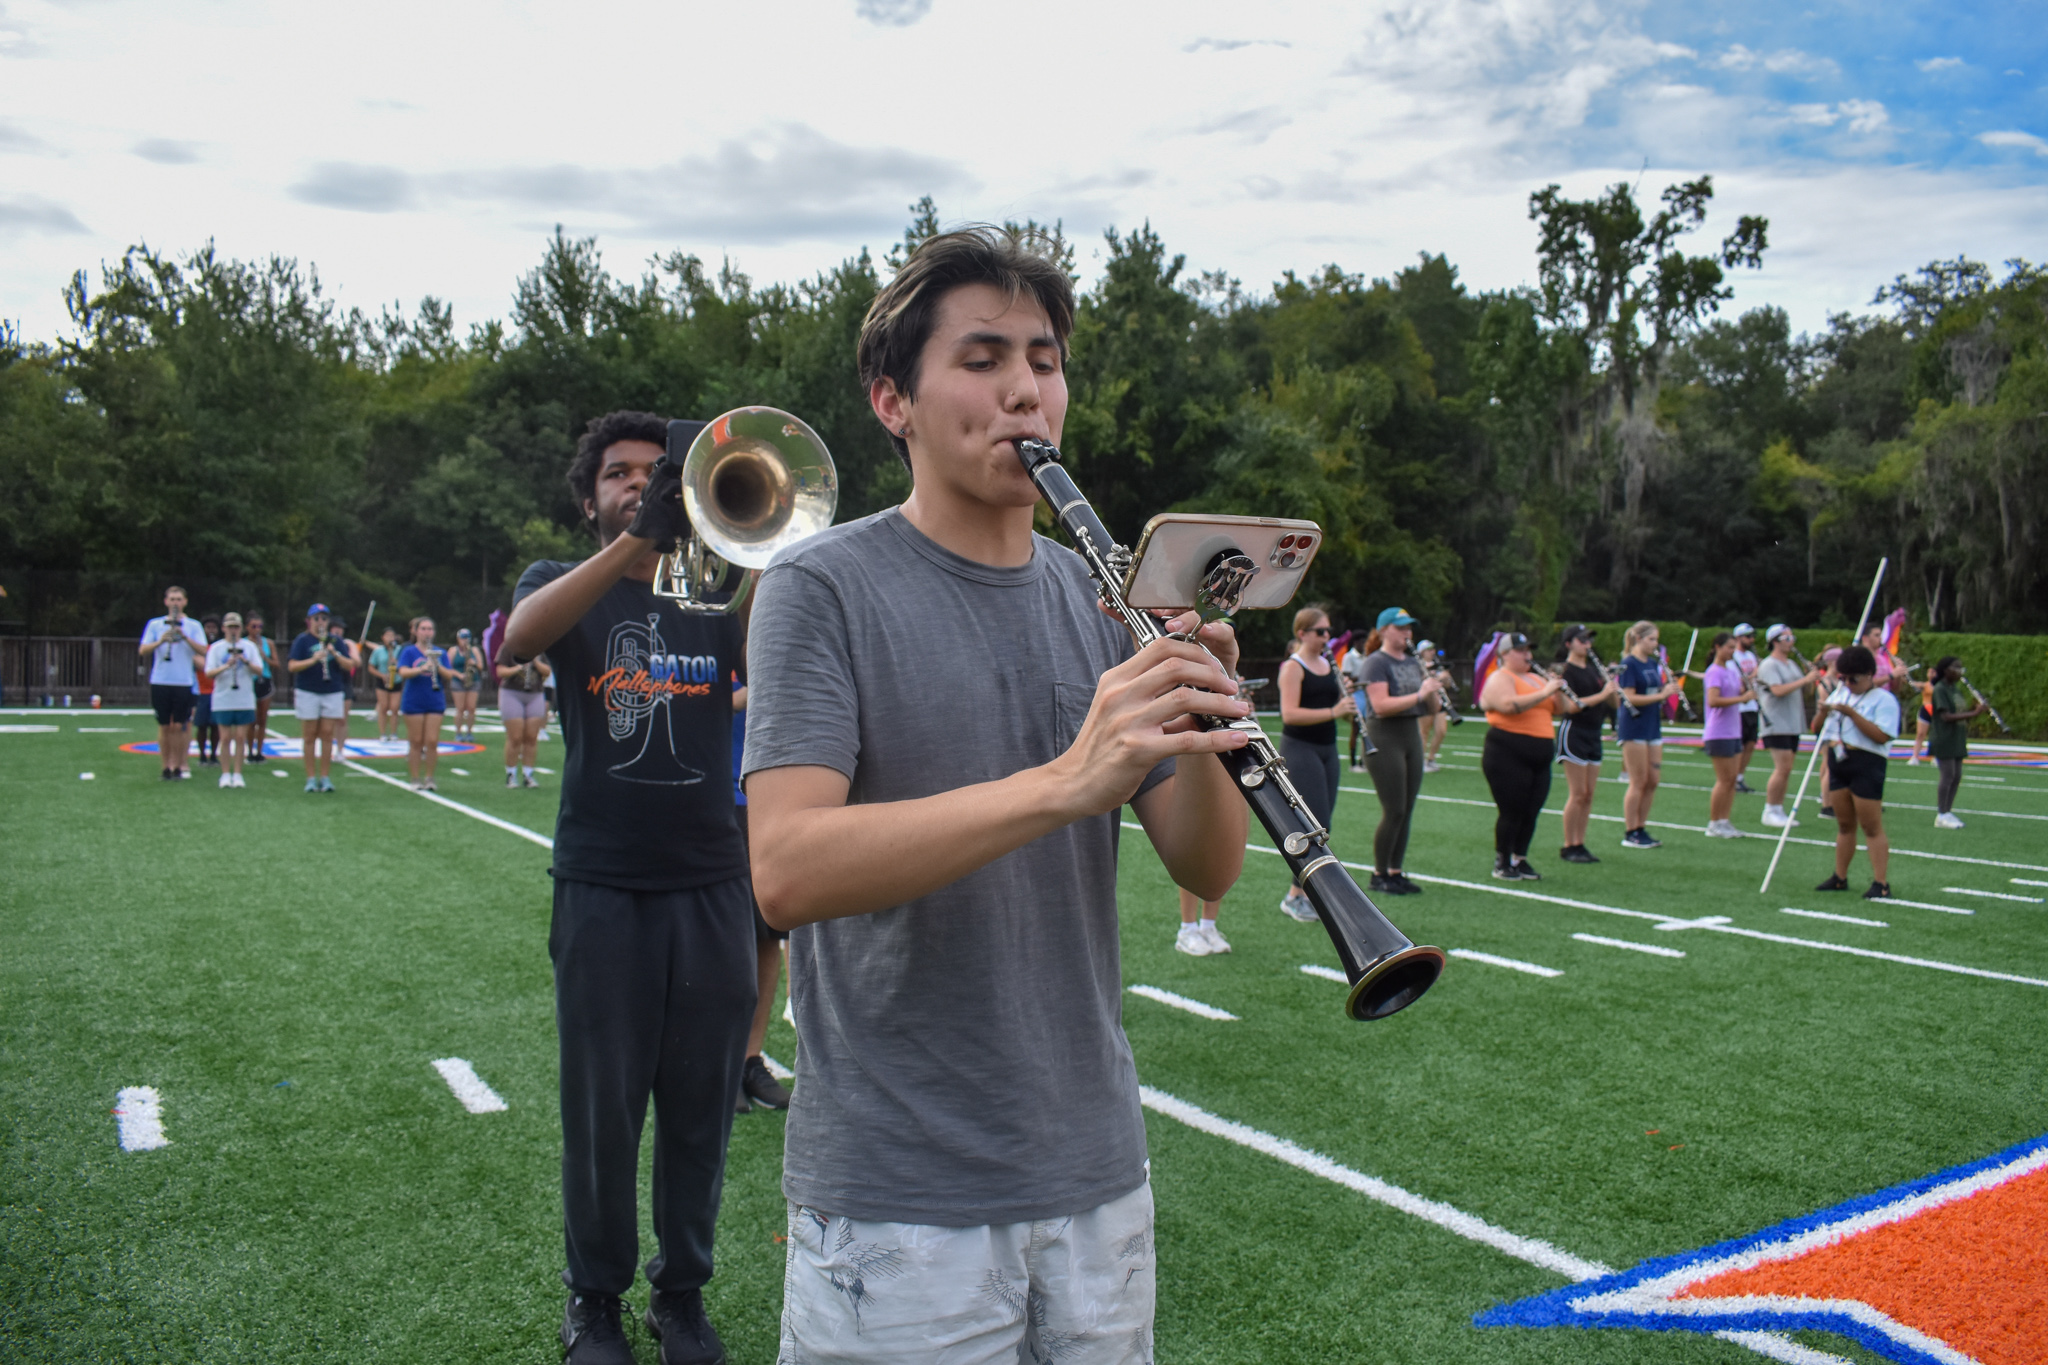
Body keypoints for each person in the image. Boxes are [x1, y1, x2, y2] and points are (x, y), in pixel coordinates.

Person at [744, 226, 1251, 1364]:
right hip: (897, 1189)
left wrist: (1208, 715)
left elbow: (1204, 867)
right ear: (893, 401)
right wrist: (1067, 782)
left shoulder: (1100, 593)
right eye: (979, 358)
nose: (1023, 387)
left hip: (1094, 1167)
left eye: (1042, 358)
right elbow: (784, 869)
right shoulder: (819, 585)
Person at [501, 409, 757, 1365]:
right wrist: (639, 540)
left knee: (699, 1109)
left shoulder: (708, 600)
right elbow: (518, 640)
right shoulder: (563, 586)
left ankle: (681, 1293)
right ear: (589, 499)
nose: (641, 485)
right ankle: (594, 1300)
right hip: (604, 884)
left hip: (712, 884)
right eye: (620, 475)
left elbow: (771, 650)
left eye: (659, 474)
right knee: (603, 1113)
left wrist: (753, 539)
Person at [730, 666, 794, 1115]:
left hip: (765, 797)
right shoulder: (698, 619)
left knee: (767, 935)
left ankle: (750, 1060)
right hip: (710, 796)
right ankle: (718, 1060)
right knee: (719, 939)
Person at [1357, 608, 1443, 895]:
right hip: (1384, 735)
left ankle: (1396, 871)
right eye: (1400, 627)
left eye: (1409, 628)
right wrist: (1419, 694)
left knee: (1407, 809)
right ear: (1383, 630)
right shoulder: (1375, 662)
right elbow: (1380, 705)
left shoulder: (1413, 662)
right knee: (1394, 809)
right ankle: (1379, 873)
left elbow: (1431, 707)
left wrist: (1433, 693)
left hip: (1410, 735)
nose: (1407, 633)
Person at [1479, 632, 1578, 879]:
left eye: (1528, 650)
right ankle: (1502, 861)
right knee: (1512, 809)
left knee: (1532, 809)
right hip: (1507, 751)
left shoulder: (1535, 678)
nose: (1527, 655)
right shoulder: (1500, 677)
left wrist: (1559, 690)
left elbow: (1562, 709)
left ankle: (1520, 858)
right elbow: (1509, 705)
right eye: (1520, 650)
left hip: (1540, 754)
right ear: (1504, 655)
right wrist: (1546, 692)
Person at [1813, 645, 1901, 900]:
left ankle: (1880, 882)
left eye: (1854, 679)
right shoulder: (1841, 693)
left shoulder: (1884, 700)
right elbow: (1817, 730)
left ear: (1870, 675)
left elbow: (1882, 735)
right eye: (1843, 678)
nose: (1848, 683)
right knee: (1844, 824)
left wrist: (1850, 714)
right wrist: (1822, 712)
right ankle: (1840, 876)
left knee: (1871, 826)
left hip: (1867, 762)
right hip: (1839, 760)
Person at [1277, 604, 1348, 918]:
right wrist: (1335, 711)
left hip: (1327, 747)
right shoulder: (1293, 667)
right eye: (1321, 632)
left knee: (1325, 823)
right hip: (1301, 748)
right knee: (1314, 825)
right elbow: (1289, 713)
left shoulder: (1328, 664)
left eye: (1328, 631)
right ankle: (1296, 896)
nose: (1327, 637)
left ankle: (1307, 894)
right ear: (1302, 633)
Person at [1615, 620, 1682, 849]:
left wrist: (1669, 690)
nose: (1655, 644)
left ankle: (1641, 827)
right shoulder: (1629, 664)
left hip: (1652, 726)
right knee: (1638, 781)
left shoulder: (1653, 663)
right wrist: (1661, 695)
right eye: (1651, 639)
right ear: (1638, 639)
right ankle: (1630, 830)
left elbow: (1658, 692)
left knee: (1653, 780)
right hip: (1634, 726)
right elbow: (1629, 697)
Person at [1556, 625, 1619, 863]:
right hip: (1574, 732)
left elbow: (1615, 704)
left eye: (1588, 640)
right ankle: (1568, 845)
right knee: (1578, 793)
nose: (1587, 644)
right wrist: (1603, 694)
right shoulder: (1566, 671)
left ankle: (1580, 843)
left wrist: (1611, 687)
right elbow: (1572, 705)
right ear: (1569, 644)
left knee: (1589, 794)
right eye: (1581, 640)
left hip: (1594, 732)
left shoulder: (1594, 670)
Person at [1755, 624, 1823, 828]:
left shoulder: (1791, 664)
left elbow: (1804, 689)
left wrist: (1811, 677)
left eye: (1791, 637)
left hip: (1792, 722)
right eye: (1786, 638)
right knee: (1782, 768)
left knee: (1787, 769)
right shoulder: (1769, 665)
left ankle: (1778, 808)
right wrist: (1805, 679)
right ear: (1774, 641)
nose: (1791, 642)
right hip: (1776, 722)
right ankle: (1770, 809)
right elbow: (1777, 690)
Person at [138, 586, 207, 781]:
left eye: (179, 599)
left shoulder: (193, 626)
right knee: (164, 726)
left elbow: (203, 650)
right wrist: (160, 641)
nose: (175, 602)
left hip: (183, 681)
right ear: (166, 602)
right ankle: (165, 766)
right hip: (161, 680)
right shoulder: (155, 624)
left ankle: (178, 765)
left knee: (179, 726)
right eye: (172, 599)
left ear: (185, 602)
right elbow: (143, 650)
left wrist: (184, 636)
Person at [288, 604, 353, 793]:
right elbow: (292, 666)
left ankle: (325, 777)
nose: (320, 622)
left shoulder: (335, 640)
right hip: (308, 691)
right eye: (316, 619)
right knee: (309, 735)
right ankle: (310, 777)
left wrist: (334, 653)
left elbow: (349, 665)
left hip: (332, 691)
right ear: (309, 621)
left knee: (327, 734)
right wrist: (313, 659)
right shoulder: (302, 640)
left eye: (324, 619)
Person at [1701, 632, 1757, 838]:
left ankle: (1725, 820)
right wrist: (1742, 698)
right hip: (1719, 731)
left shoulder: (1731, 671)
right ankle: (1714, 822)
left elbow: (1738, 690)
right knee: (1724, 780)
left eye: (1734, 648)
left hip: (1733, 730)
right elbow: (1714, 700)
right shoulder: (1714, 671)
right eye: (1729, 647)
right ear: (1717, 647)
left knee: (1732, 779)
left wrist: (1749, 684)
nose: (1732, 652)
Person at [204, 613, 264, 788]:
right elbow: (209, 673)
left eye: (236, 627)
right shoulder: (216, 648)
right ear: (223, 628)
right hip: (223, 698)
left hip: (244, 698)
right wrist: (226, 665)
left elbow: (259, 670)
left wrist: (245, 661)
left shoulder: (249, 647)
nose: (233, 630)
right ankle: (224, 774)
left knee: (240, 737)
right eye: (230, 627)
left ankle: (237, 773)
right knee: (225, 738)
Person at [1927, 656, 1983, 829]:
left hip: (1957, 738)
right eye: (1956, 668)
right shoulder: (1940, 689)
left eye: (1961, 669)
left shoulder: (1955, 690)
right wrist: (1973, 714)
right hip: (1944, 738)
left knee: (1957, 776)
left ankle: (1948, 811)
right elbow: (1946, 716)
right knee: (1948, 775)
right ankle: (1941, 814)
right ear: (1946, 670)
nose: (1960, 672)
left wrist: (1975, 710)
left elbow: (1960, 714)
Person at [397, 618, 453, 791]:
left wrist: (437, 665)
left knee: (432, 741)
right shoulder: (409, 651)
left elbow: (449, 675)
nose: (427, 632)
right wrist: (421, 669)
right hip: (413, 700)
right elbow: (403, 672)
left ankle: (429, 778)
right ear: (416, 631)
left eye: (430, 629)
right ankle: (415, 778)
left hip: (434, 699)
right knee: (415, 742)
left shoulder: (440, 652)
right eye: (423, 629)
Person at [496, 651, 551, 787]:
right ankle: (511, 774)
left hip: (535, 693)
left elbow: (547, 671)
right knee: (515, 737)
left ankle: (528, 774)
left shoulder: (541, 648)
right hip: (512, 692)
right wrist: (518, 668)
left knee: (531, 737)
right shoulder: (510, 645)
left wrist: (535, 661)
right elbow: (500, 671)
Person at [1729, 623, 1762, 793]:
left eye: (1752, 636)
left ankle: (1740, 776)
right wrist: (1752, 675)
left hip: (1752, 704)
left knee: (1750, 743)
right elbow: (1736, 681)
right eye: (1748, 636)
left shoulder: (1750, 655)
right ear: (1739, 638)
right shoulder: (1733, 656)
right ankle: (1732, 777)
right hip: (1740, 706)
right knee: (1740, 744)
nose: (1751, 640)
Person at [1415, 640, 1453, 773]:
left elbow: (1447, 685)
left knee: (1441, 731)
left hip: (1439, 701)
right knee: (1424, 732)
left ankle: (1431, 759)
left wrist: (1445, 678)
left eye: (1433, 649)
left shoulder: (1438, 665)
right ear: (1422, 652)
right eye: (1429, 650)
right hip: (1425, 701)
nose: (1432, 652)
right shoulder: (1417, 665)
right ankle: (1420, 760)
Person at [244, 613, 278, 762]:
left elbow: (277, 664)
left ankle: (259, 751)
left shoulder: (268, 643)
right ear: (247, 628)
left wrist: (265, 657)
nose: (257, 629)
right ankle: (250, 750)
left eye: (260, 626)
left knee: (262, 719)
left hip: (265, 680)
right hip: (249, 680)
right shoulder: (243, 643)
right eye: (254, 626)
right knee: (251, 719)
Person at [1339, 633, 1372, 772]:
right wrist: (1360, 678)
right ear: (1356, 642)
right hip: (1356, 693)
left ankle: (1363, 760)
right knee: (1356, 727)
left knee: (1368, 727)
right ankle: (1353, 762)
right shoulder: (1349, 657)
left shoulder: (1366, 656)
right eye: (1362, 642)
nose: (1364, 645)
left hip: (1366, 693)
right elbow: (1346, 677)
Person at [446, 627, 486, 740]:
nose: (465, 641)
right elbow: (447, 667)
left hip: (473, 680)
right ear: (458, 639)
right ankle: (458, 733)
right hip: (458, 681)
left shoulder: (475, 650)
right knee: (460, 708)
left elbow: (481, 666)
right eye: (463, 638)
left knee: (471, 708)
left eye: (467, 638)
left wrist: (473, 663)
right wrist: (459, 675)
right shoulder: (453, 650)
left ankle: (469, 732)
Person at [192, 615, 222, 765]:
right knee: (202, 725)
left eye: (214, 627)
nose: (211, 630)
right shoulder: (199, 648)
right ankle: (202, 755)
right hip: (202, 691)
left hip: (218, 691)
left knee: (216, 726)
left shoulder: (221, 647)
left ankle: (214, 755)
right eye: (208, 627)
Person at [369, 625, 404, 742]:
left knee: (394, 708)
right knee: (383, 708)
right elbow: (371, 667)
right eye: (388, 636)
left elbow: (405, 665)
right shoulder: (378, 650)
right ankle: (383, 733)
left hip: (396, 680)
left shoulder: (399, 650)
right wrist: (382, 675)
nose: (390, 638)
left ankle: (394, 733)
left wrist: (396, 663)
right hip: (382, 680)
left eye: (392, 636)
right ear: (383, 637)